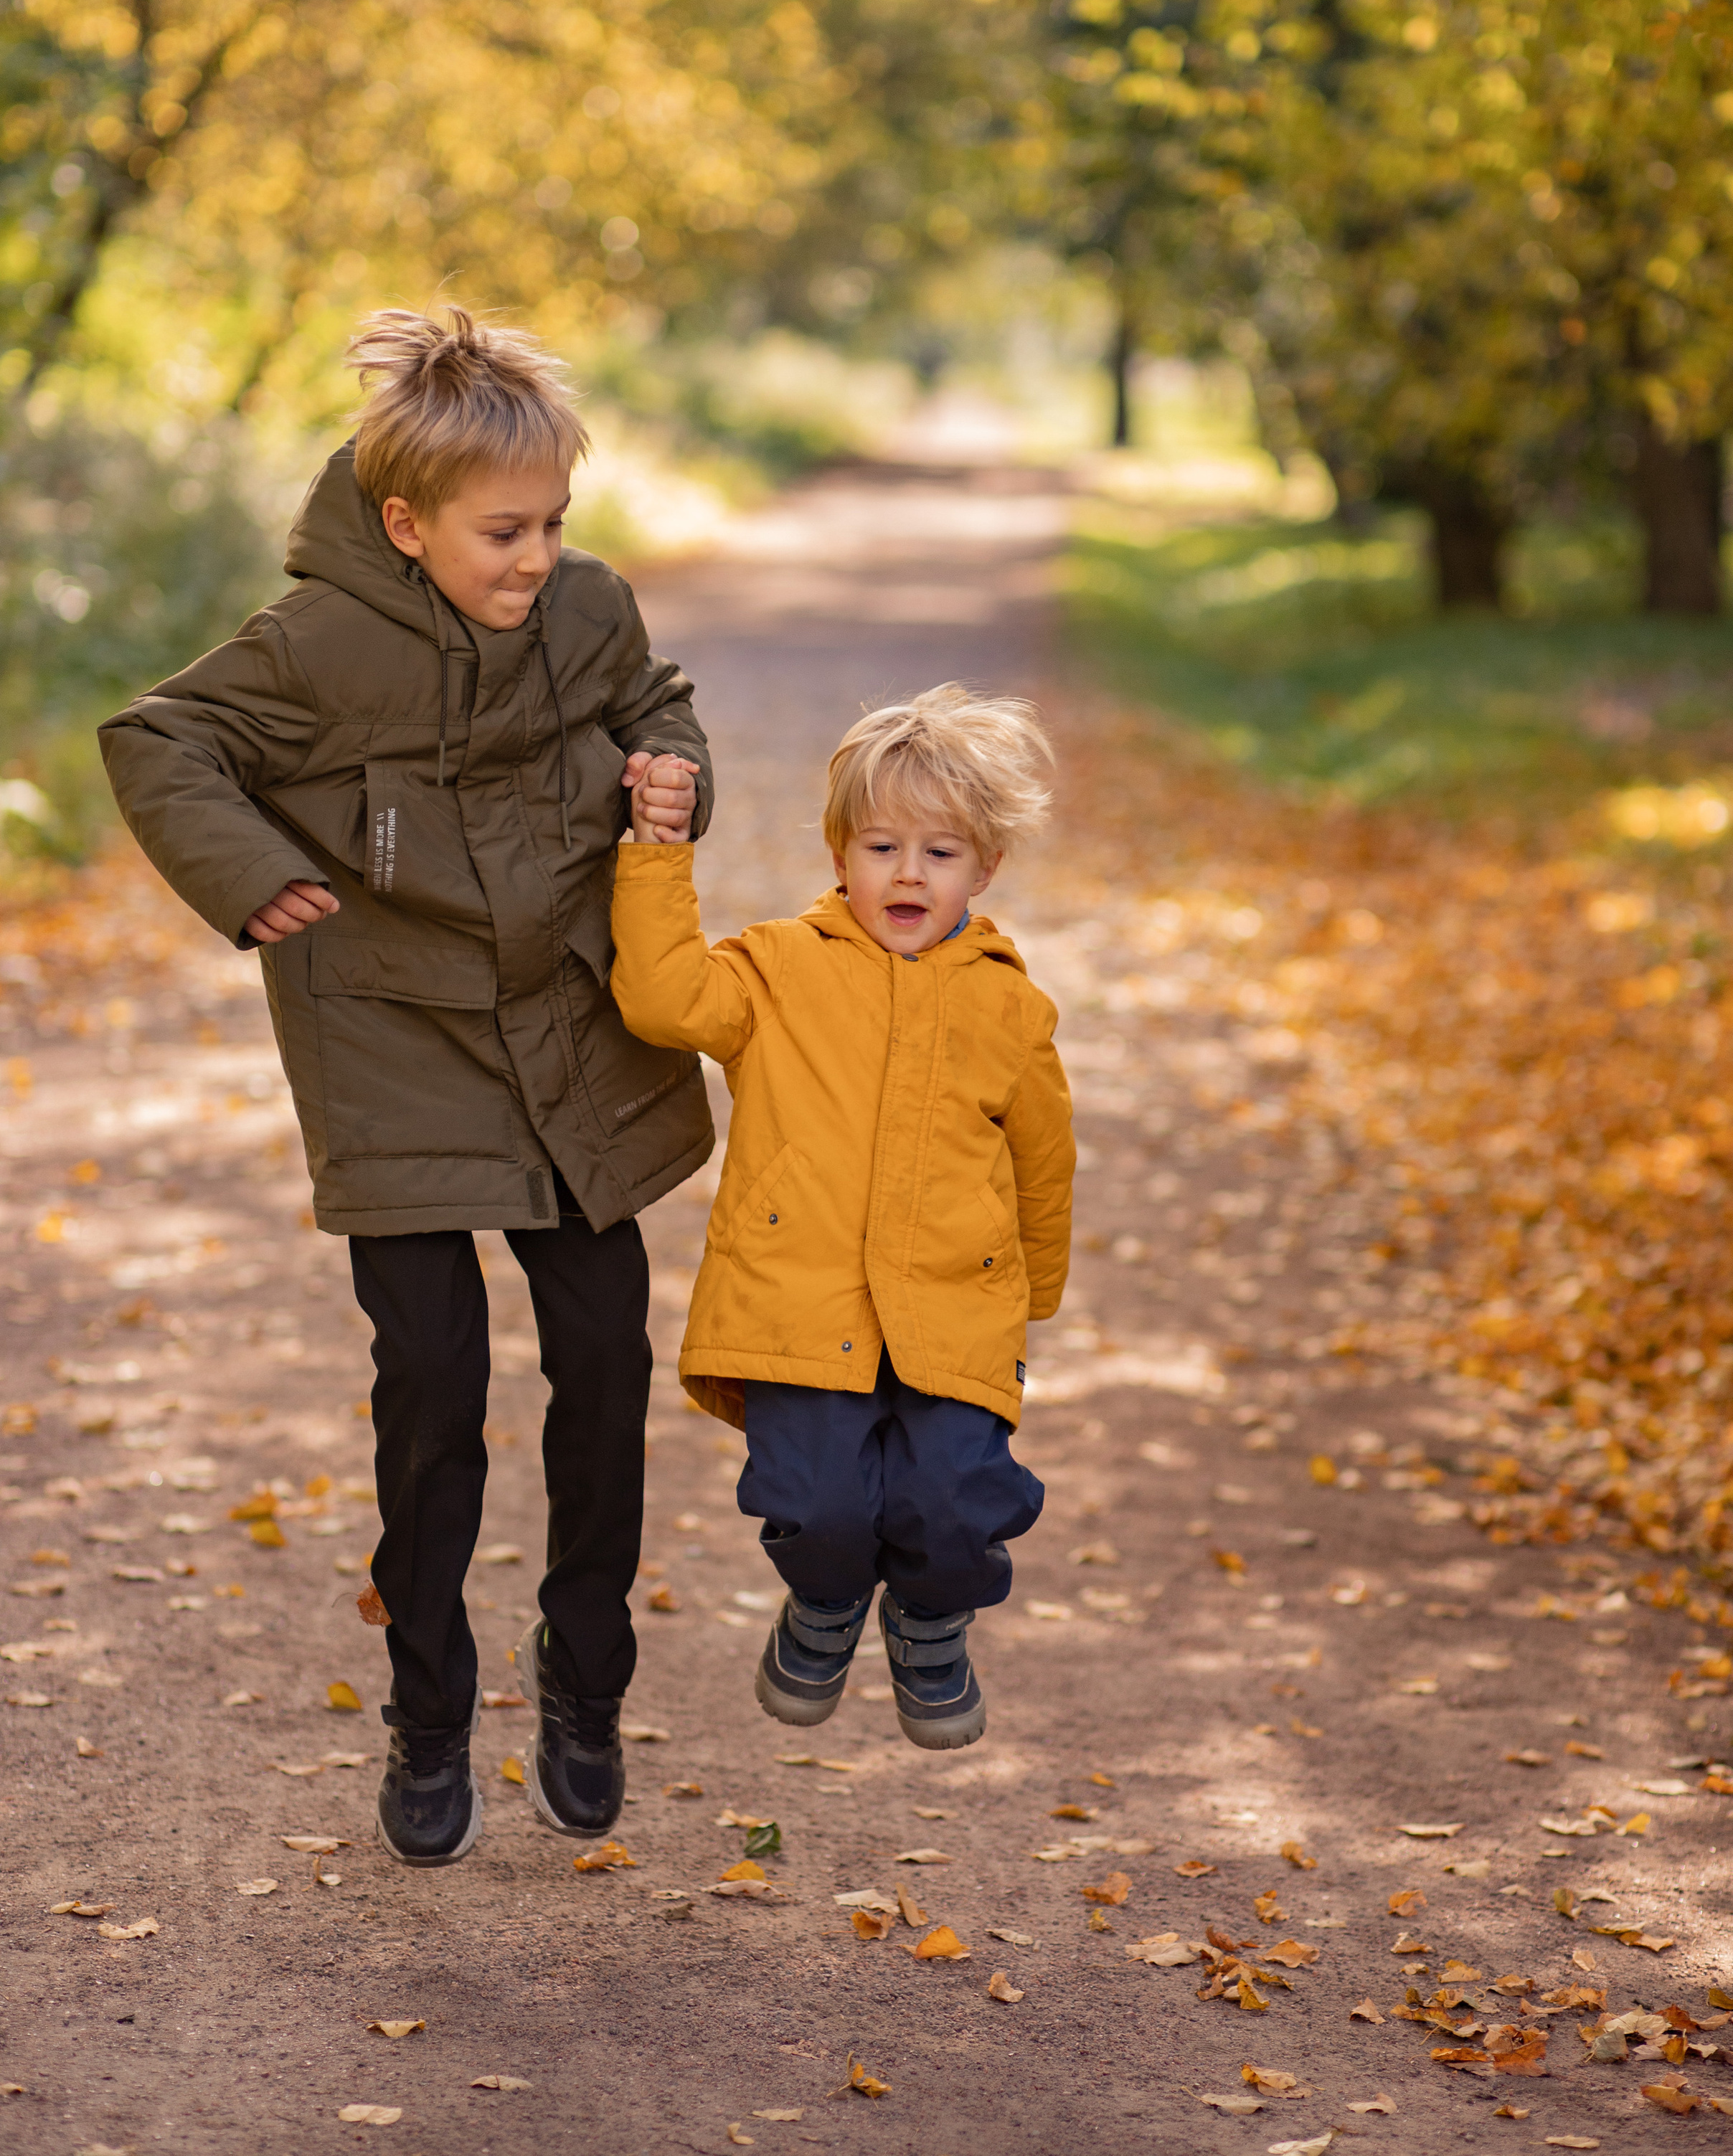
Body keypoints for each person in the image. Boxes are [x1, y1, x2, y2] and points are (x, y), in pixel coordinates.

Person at [99, 308, 715, 1864]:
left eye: (553, 522)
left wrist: (674, 770)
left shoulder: (585, 614)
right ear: (405, 523)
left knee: (606, 1364)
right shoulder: (314, 646)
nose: (536, 556)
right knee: (432, 1390)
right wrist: (249, 880)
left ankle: (585, 1681)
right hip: (390, 1042)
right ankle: (426, 1708)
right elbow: (157, 738)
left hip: (566, 1041)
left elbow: (656, 699)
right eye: (503, 531)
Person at [613, 686, 1075, 1749]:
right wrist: (655, 851)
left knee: (956, 1503)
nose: (909, 873)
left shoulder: (1011, 1006)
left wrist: (1030, 1296)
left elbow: (1042, 1160)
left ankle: (930, 1618)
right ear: (839, 852)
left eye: (943, 853)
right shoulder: (778, 970)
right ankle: (822, 1604)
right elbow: (665, 999)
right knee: (818, 1505)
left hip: (955, 1308)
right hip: (797, 1302)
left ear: (987, 868)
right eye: (883, 845)